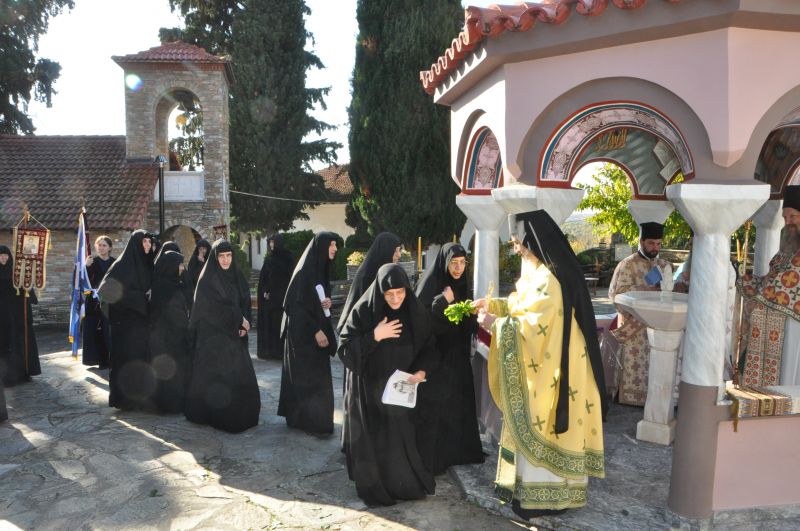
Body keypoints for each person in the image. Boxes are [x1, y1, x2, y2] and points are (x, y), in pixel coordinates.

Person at [475, 210, 607, 518]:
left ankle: (550, 499)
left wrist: (496, 325)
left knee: (546, 425)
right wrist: (494, 305)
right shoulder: (537, 273)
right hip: (547, 363)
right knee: (536, 425)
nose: (517, 250)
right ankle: (530, 494)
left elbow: (534, 329)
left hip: (559, 370)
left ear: (533, 242)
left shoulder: (549, 280)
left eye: (519, 245)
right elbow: (523, 308)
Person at [338, 263, 437, 506]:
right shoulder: (364, 311)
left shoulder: (415, 313)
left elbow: (429, 347)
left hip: (400, 392)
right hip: (369, 391)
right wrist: (375, 335)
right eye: (389, 294)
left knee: (398, 438)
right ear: (380, 292)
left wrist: (422, 371)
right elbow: (345, 349)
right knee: (376, 440)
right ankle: (378, 487)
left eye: (400, 293)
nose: (395, 299)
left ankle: (400, 484)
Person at [414, 242, 484, 475]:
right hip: (437, 357)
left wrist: (472, 313)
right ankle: (438, 455)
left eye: (463, 263)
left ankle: (459, 451)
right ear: (445, 263)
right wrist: (442, 302)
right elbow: (422, 322)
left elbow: (464, 324)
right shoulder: (431, 284)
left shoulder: (461, 285)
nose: (458, 268)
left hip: (458, 355)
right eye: (454, 263)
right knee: (439, 405)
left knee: (458, 402)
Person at [185, 240, 260, 432]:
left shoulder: (236, 275)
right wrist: (238, 321)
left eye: (229, 256)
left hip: (235, 336)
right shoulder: (207, 280)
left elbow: (244, 299)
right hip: (214, 339)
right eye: (221, 256)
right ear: (215, 257)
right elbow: (211, 310)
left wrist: (244, 323)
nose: (226, 260)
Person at [278, 231, 340, 436]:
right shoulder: (305, 272)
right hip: (304, 337)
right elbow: (297, 308)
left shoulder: (320, 269)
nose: (335, 248)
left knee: (317, 379)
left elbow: (316, 300)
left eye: (335, 245)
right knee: (307, 379)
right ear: (321, 247)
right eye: (331, 244)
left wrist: (328, 301)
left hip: (315, 333)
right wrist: (316, 331)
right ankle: (307, 420)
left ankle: (316, 419)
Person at [739, 185, 800, 386]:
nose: (787, 223)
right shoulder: (784, 252)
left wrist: (763, 296)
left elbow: (785, 286)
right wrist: (744, 281)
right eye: (785, 218)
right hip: (778, 324)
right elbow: (770, 281)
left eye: (792, 217)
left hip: (794, 327)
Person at [608, 222, 673, 406]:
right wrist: (643, 289)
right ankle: (628, 398)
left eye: (659, 244)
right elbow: (615, 295)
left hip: (656, 324)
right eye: (651, 243)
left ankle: (652, 399)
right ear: (642, 241)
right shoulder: (627, 265)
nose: (655, 248)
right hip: (633, 327)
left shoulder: (664, 265)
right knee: (632, 365)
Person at [97, 229, 155, 410]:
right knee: (127, 362)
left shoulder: (148, 264)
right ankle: (125, 400)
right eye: (144, 242)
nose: (147, 245)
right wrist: (139, 298)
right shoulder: (122, 265)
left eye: (148, 242)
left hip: (142, 326)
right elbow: (105, 292)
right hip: (125, 326)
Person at [149, 250, 191, 414]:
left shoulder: (171, 284)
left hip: (171, 338)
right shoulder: (166, 287)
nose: (182, 268)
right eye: (180, 264)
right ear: (171, 266)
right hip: (168, 340)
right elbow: (173, 315)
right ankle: (170, 405)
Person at [0, 245, 42, 387]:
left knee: (22, 343)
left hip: (19, 315)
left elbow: (28, 294)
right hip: (3, 316)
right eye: (0, 255)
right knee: (7, 344)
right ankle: (8, 377)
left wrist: (28, 288)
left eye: (6, 255)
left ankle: (25, 373)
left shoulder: (18, 273)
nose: (3, 257)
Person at [256, 234, 294, 360]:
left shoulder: (288, 258)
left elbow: (291, 277)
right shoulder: (270, 258)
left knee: (281, 325)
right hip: (271, 300)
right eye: (270, 243)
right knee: (271, 325)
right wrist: (265, 290)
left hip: (283, 299)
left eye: (273, 242)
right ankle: (271, 352)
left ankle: (281, 352)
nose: (271, 245)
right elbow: (265, 278)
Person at [82, 236, 115, 368]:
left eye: (104, 245)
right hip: (94, 302)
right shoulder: (92, 262)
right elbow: (84, 280)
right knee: (96, 330)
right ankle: (98, 359)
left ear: (110, 248)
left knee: (108, 330)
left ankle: (110, 358)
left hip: (109, 302)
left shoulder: (114, 262)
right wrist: (86, 267)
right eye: (99, 245)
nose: (101, 248)